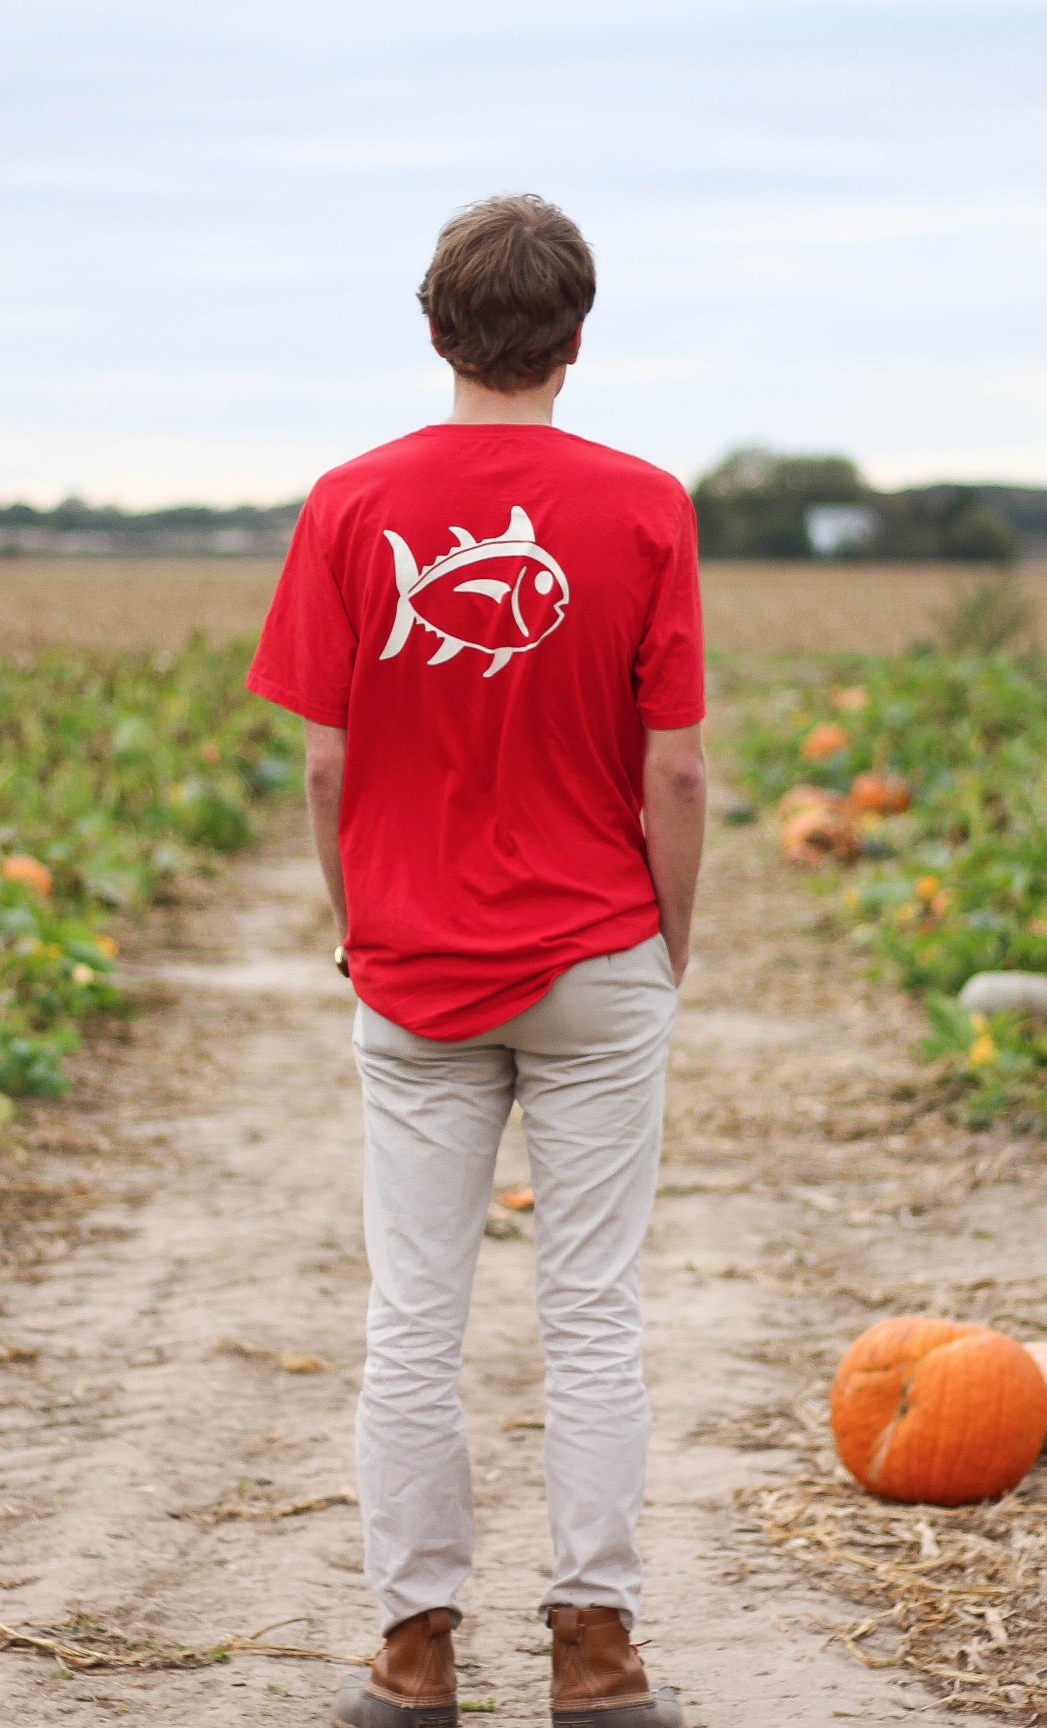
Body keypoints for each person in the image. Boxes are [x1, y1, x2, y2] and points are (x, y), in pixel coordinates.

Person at [246, 193, 706, 1728]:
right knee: (590, 1314)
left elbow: (324, 766)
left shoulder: (350, 505)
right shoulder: (646, 510)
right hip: (599, 953)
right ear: (577, 341)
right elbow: (681, 773)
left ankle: (413, 1657)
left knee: (412, 1317)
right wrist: (668, 943)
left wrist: (354, 922)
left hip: (413, 964)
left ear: (435, 330)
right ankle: (599, 1659)